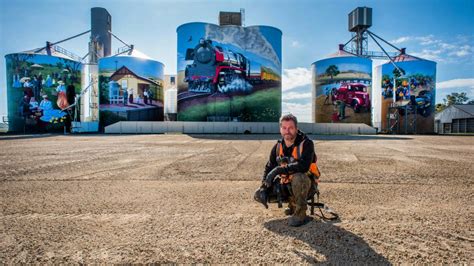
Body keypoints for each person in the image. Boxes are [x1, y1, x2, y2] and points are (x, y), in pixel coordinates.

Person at [254, 113, 319, 227]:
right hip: (287, 185)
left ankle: (301, 214)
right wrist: (264, 186)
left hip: (307, 185)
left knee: (299, 177)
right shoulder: (278, 146)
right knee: (258, 194)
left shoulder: (307, 143)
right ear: (280, 129)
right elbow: (269, 166)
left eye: (290, 128)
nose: (287, 131)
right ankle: (292, 204)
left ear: (296, 128)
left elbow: (303, 166)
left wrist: (278, 170)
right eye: (284, 128)